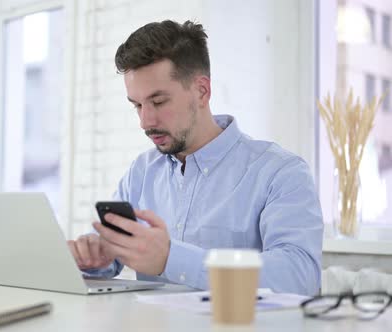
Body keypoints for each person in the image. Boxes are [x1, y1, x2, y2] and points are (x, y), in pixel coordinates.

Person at [66, 20, 323, 296]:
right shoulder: (142, 171)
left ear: (202, 91)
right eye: (137, 105)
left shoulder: (280, 172)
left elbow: (299, 276)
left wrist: (172, 259)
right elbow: (116, 252)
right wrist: (97, 256)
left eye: (159, 102)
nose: (145, 121)